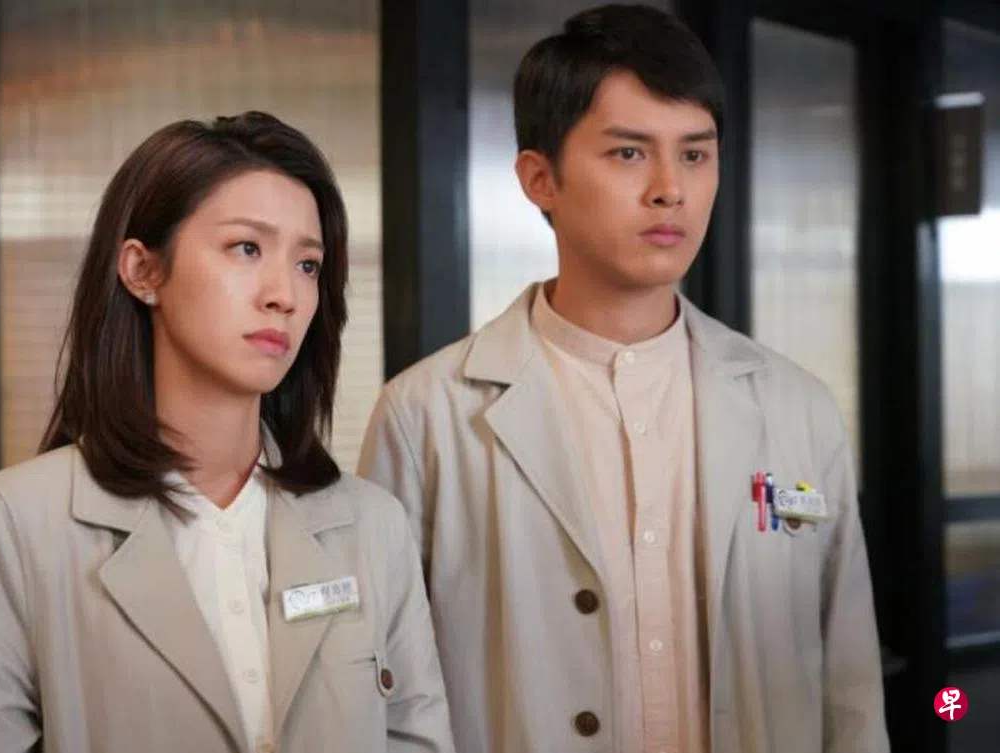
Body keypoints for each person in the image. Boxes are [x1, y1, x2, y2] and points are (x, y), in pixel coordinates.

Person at [358, 5, 889, 753]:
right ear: (540, 178)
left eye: (696, 154)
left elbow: (851, 686)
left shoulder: (796, 405)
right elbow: (389, 699)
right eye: (630, 153)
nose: (671, 189)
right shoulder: (424, 416)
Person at [0, 112, 454, 753]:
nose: (284, 294)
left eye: (309, 264)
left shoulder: (373, 525)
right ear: (143, 271)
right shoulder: (16, 523)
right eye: (247, 248)